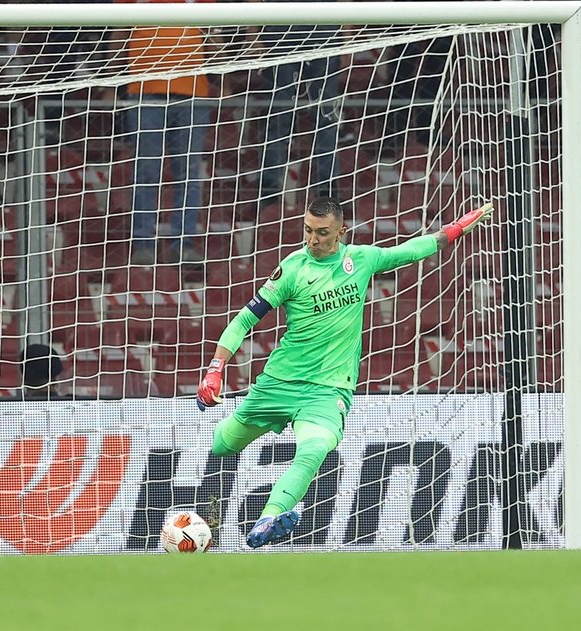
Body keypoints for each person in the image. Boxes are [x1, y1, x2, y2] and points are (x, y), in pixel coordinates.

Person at [196, 196, 494, 549]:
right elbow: (244, 320)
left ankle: (268, 519)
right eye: (308, 230)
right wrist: (215, 369)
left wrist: (454, 230)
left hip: (328, 390)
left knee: (314, 449)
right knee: (223, 445)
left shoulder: (362, 260)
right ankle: (254, 481)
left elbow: (410, 251)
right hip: (279, 383)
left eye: (322, 232)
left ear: (341, 232)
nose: (313, 239)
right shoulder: (292, 269)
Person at [113, 0, 215, 265]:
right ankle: (143, 242)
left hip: (192, 92)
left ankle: (184, 243)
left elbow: (213, 31)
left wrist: (222, 75)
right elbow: (119, 28)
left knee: (188, 173)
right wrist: (110, 80)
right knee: (147, 170)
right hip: (145, 89)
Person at [246, 2, 342, 211]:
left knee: (325, 114)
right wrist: (254, 34)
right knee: (279, 113)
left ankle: (327, 188)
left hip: (323, 24)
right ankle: (269, 187)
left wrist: (347, 32)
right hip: (281, 23)